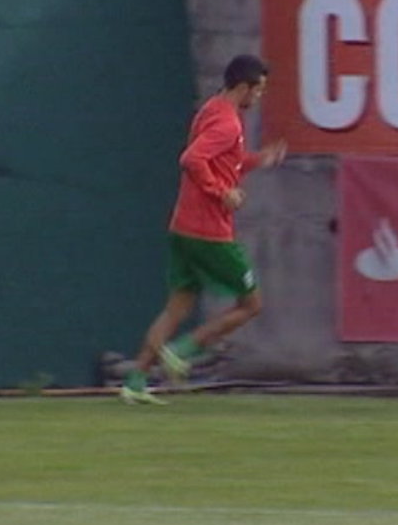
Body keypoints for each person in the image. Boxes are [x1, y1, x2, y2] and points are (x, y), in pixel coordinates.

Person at [120, 54, 286, 405]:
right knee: (252, 303)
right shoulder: (228, 124)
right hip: (209, 232)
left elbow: (225, 161)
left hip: (182, 227)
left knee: (176, 307)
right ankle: (182, 351)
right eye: (258, 91)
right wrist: (221, 192)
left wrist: (258, 160)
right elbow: (192, 159)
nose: (258, 98)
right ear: (243, 87)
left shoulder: (213, 109)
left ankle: (135, 382)